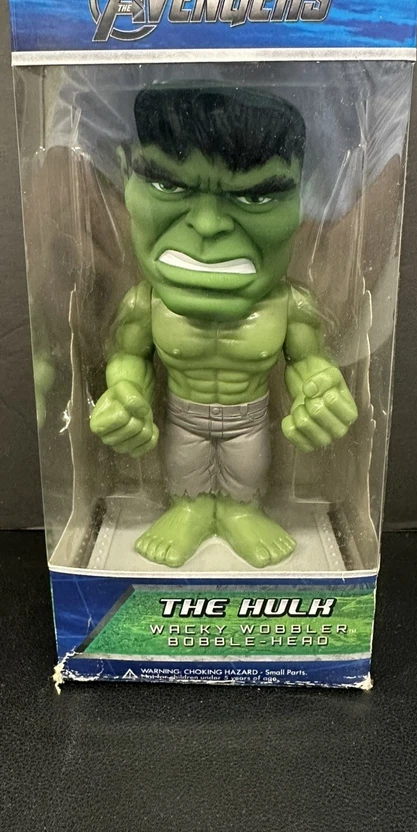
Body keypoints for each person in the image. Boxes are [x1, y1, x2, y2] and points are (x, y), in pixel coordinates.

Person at [89, 85, 357, 568]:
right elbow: (129, 357)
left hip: (249, 420)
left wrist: (321, 392)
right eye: (169, 186)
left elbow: (307, 362)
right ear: (125, 176)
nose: (209, 225)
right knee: (185, 474)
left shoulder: (290, 306)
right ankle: (190, 511)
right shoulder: (145, 305)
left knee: (245, 475)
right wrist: (126, 397)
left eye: (255, 196)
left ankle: (238, 514)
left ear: (302, 197)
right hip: (183, 417)